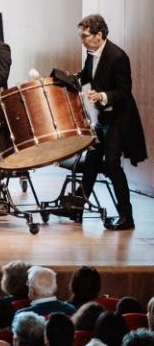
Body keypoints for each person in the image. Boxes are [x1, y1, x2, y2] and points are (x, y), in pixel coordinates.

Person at [57, 13, 145, 230]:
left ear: (99, 34)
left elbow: (124, 92)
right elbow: (88, 74)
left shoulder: (118, 57)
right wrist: (71, 79)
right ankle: (77, 206)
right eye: (81, 36)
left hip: (119, 119)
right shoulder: (92, 52)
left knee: (112, 165)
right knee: (92, 162)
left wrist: (103, 96)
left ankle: (127, 217)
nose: (82, 40)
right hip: (103, 118)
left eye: (85, 36)